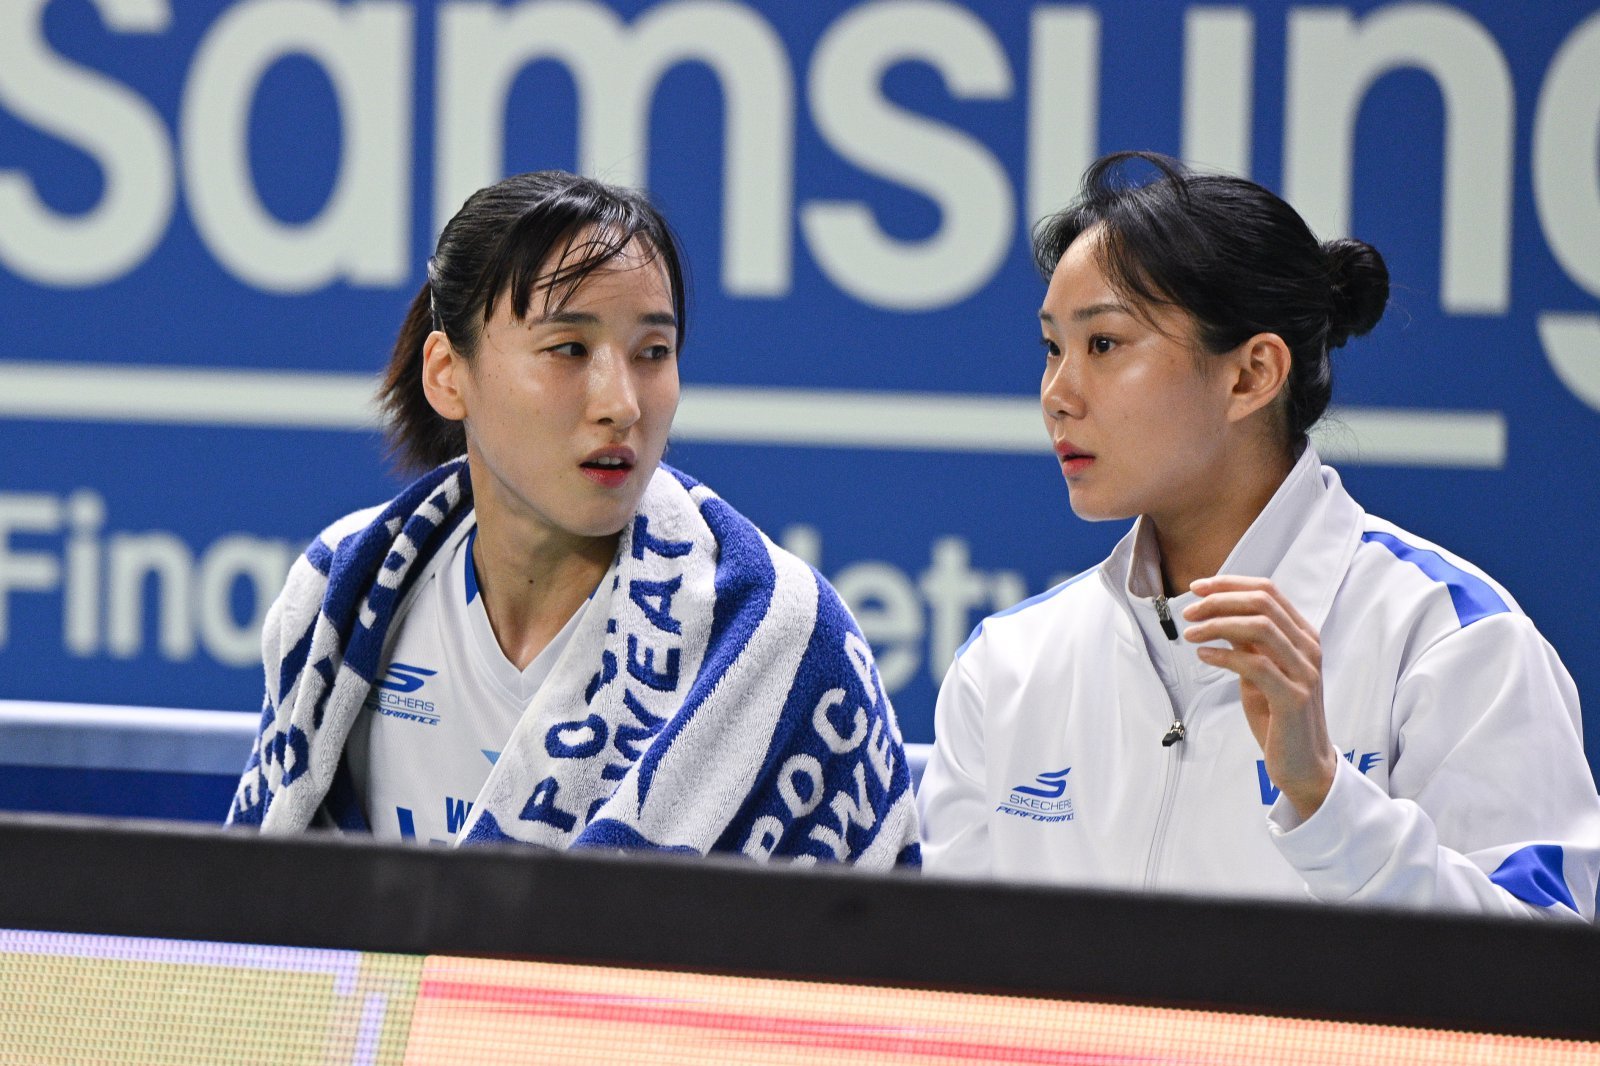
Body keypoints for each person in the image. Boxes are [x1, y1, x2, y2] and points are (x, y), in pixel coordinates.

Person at [917, 152, 1600, 916]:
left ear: (1251, 374)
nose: (1057, 394)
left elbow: (1543, 961)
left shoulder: (1454, 640)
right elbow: (943, 976)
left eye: (1102, 344)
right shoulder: (1004, 669)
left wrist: (1327, 801)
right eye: (1052, 348)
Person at [228, 171, 919, 869]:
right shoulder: (338, 598)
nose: (622, 404)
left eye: (653, 353)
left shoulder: (784, 639)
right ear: (447, 375)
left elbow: (869, 933)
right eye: (569, 349)